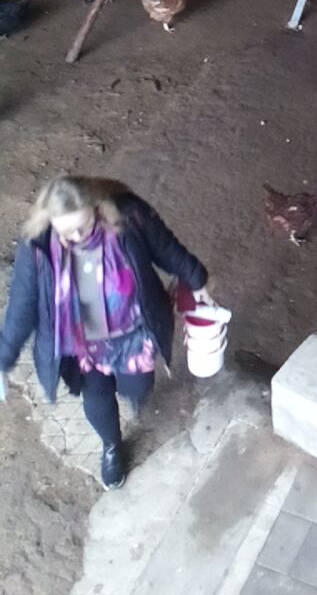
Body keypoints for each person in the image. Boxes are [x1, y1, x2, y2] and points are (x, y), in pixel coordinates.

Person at [0, 176, 211, 490]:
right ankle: (111, 446)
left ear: (96, 207)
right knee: (96, 397)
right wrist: (3, 359)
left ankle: (132, 398)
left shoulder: (129, 217)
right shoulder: (37, 247)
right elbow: (22, 304)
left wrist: (197, 280)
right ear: (49, 221)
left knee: (138, 387)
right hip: (82, 343)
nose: (76, 237)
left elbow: (167, 249)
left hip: (133, 334)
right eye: (66, 231)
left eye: (83, 226)